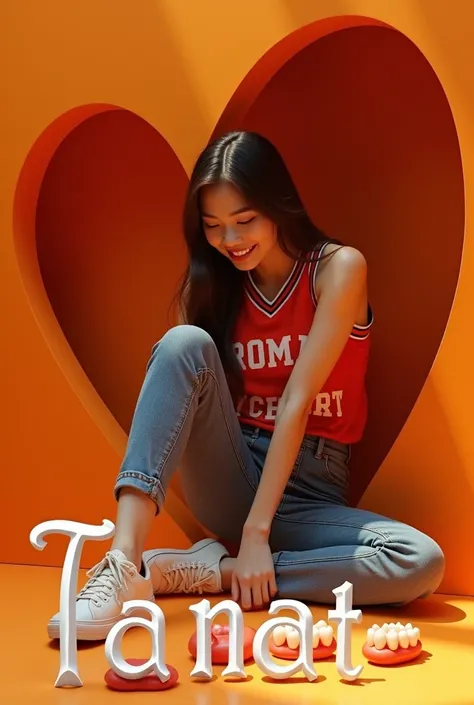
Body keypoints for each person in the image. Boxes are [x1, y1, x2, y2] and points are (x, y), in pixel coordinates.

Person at [47, 130, 445, 641]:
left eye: (244, 220)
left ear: (278, 204)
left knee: (419, 561)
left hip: (310, 488)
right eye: (213, 227)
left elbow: (297, 402)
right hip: (231, 471)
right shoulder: (217, 282)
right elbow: (188, 393)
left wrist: (257, 538)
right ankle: (123, 565)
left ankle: (217, 571)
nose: (230, 240)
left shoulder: (337, 268)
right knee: (181, 343)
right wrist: (248, 524)